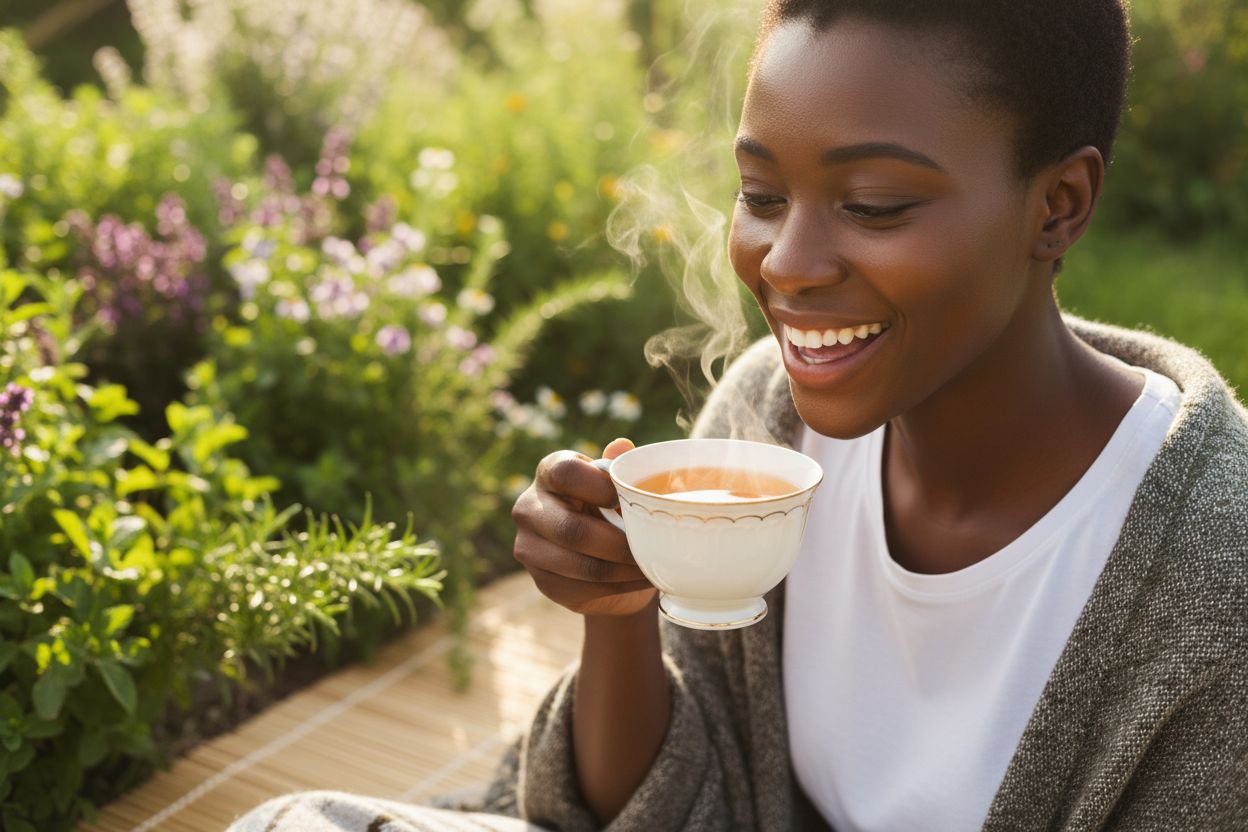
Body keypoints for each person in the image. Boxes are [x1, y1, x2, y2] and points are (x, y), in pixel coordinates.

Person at [228, 0, 1248, 830]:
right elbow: (673, 805)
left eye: (876, 205)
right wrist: (620, 613)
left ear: (1059, 204)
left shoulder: (1214, 580)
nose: (788, 264)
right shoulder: (767, 413)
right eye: (762, 192)